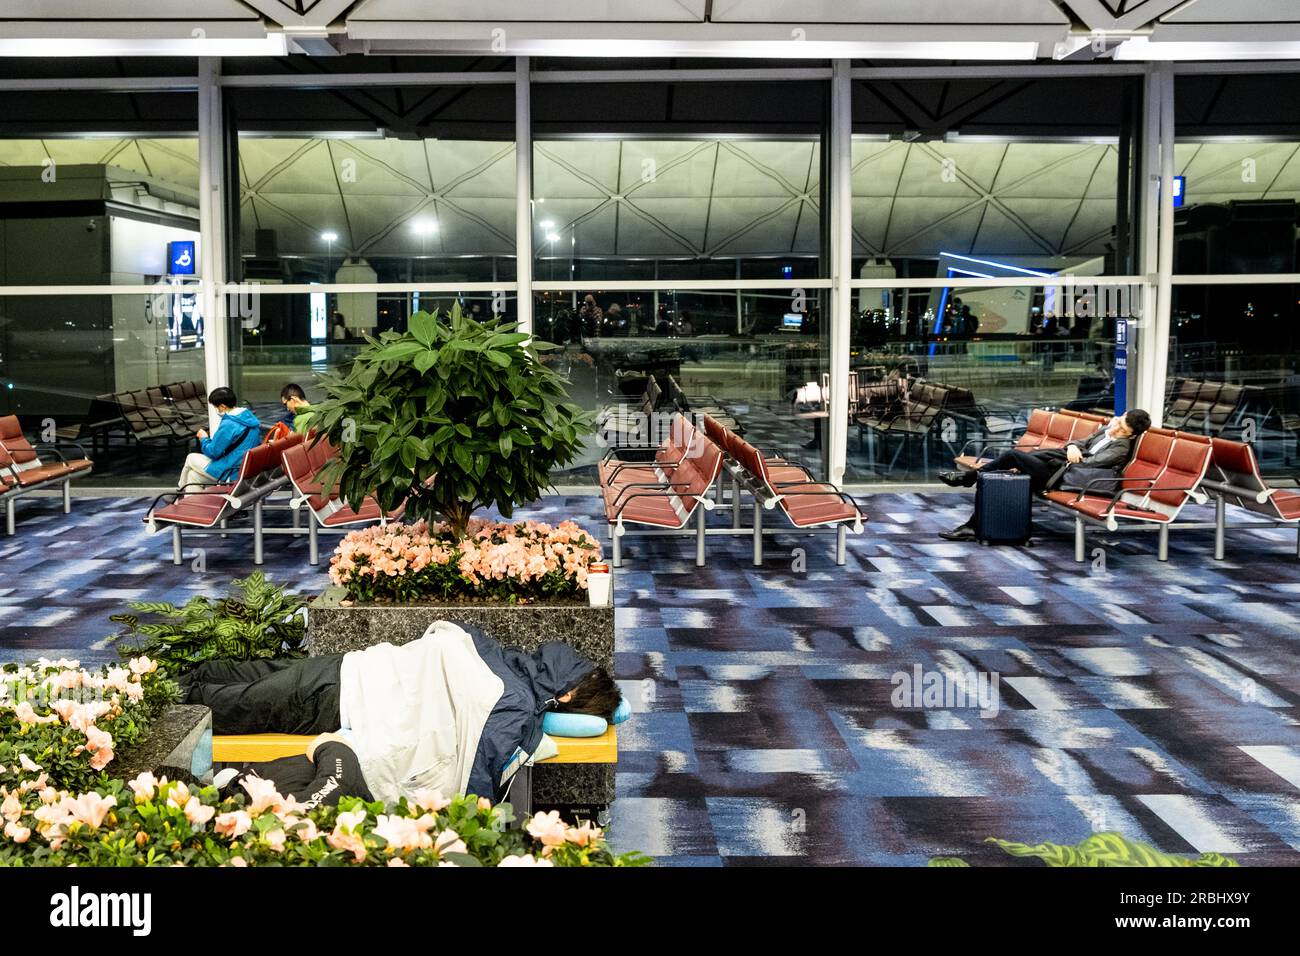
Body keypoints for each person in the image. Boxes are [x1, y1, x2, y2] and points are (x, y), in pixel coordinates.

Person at [179, 620, 621, 806]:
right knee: (250, 682)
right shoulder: (514, 688)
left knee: (240, 701)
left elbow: (478, 754)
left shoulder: (514, 699)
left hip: (347, 688)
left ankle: (165, 697)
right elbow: (475, 774)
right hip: (353, 677)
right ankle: (168, 683)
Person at [935, 408, 1152, 541]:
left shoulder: (1121, 448)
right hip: (1057, 466)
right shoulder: (1106, 431)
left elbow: (1089, 464)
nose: (1117, 429)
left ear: (1131, 435)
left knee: (1013, 456)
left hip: (1063, 477)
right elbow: (1077, 443)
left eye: (1123, 430)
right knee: (999, 479)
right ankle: (972, 526)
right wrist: (1072, 448)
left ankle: (969, 478)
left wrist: (1073, 451)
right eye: (1120, 422)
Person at [176, 387, 262, 491]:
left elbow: (213, 452)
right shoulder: (248, 418)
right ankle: (189, 504)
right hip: (244, 469)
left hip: (231, 471)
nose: (216, 410)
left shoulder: (229, 424)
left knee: (190, 458)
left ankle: (180, 490)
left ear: (223, 406)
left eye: (215, 407)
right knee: (193, 476)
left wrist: (204, 438)